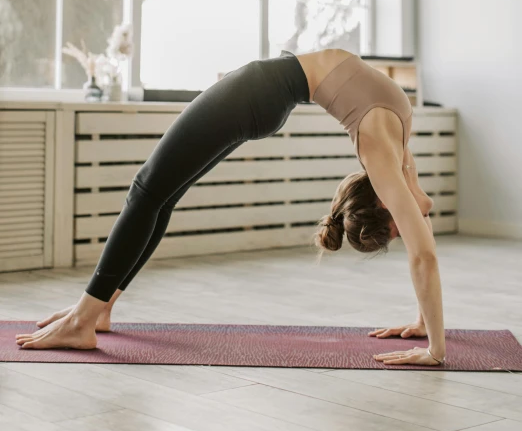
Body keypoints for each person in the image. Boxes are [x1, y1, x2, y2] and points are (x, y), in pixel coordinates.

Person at [16, 48, 445, 366]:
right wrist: (429, 333)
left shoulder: (386, 146)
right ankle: (101, 308)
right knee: (158, 194)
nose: (406, 227)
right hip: (263, 93)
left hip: (260, 91)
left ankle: (84, 320)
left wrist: (433, 342)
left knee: (147, 190)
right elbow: (421, 227)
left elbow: (422, 247)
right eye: (397, 229)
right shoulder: (393, 160)